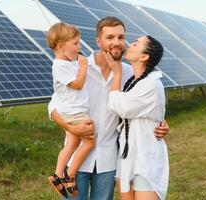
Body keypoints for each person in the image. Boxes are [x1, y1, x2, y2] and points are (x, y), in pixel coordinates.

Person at [48, 16, 169, 200]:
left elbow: (142, 105)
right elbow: (53, 106)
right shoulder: (77, 68)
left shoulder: (131, 74)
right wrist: (71, 127)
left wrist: (159, 123)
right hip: (77, 160)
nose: (117, 43)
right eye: (110, 37)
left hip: (109, 161)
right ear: (98, 41)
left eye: (121, 37)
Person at [105, 35, 168, 200]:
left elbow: (121, 107)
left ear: (144, 56)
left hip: (145, 157)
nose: (129, 44)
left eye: (136, 43)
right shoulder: (134, 80)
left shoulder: (151, 84)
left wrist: (116, 74)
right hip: (127, 155)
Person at [46, 22, 96, 198]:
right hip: (75, 111)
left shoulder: (67, 62)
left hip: (72, 110)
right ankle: (70, 174)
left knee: (72, 144)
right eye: (75, 44)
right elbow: (77, 84)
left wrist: (80, 64)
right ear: (61, 46)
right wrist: (83, 67)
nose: (79, 47)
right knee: (90, 142)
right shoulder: (60, 66)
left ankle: (57, 175)